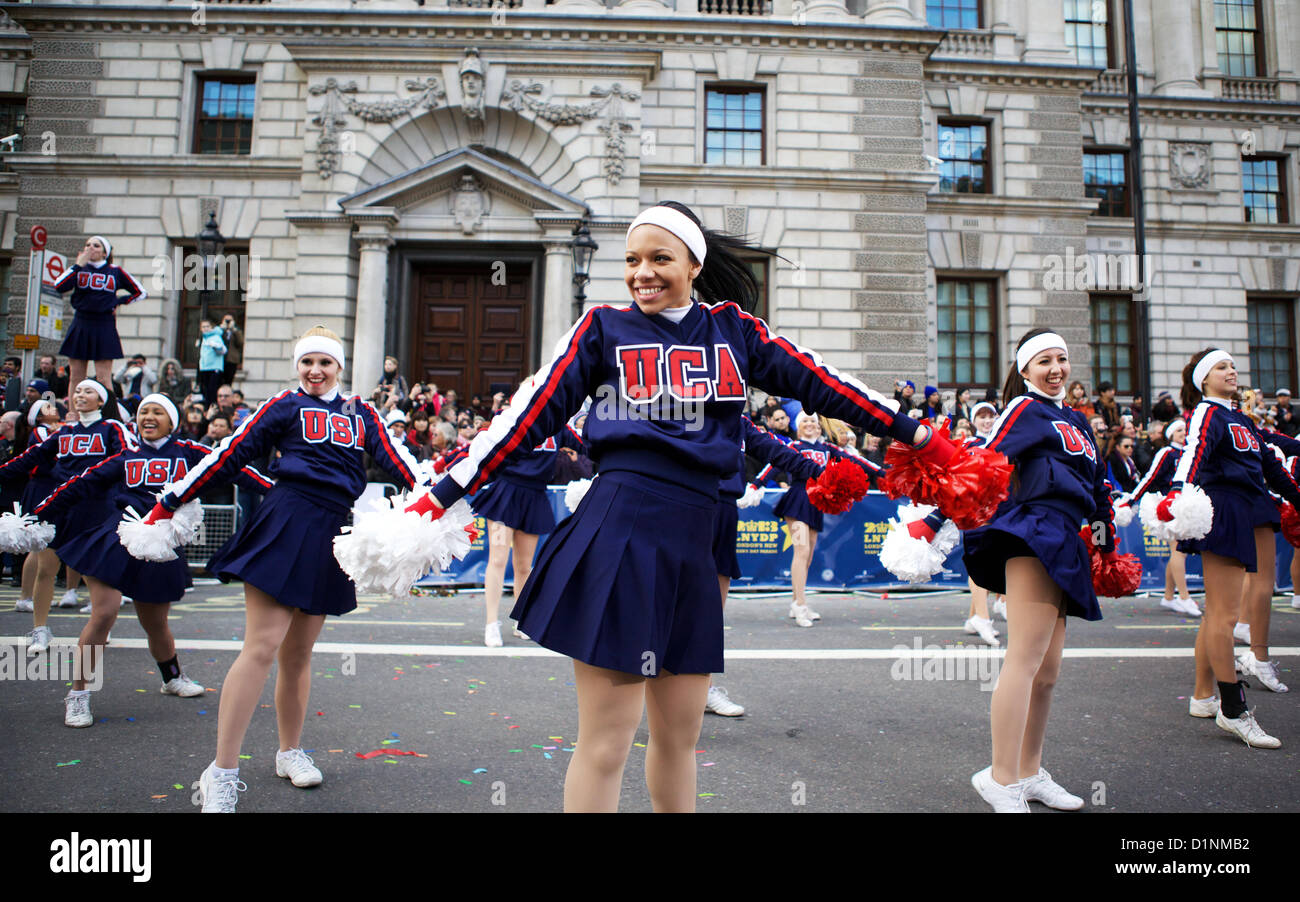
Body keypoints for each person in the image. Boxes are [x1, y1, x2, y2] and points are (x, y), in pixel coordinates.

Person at [421, 201, 957, 813]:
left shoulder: (736, 330)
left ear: (695, 264)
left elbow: (825, 383)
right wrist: (440, 496)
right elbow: (525, 417)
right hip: (621, 529)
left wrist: (918, 435)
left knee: (680, 739)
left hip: (696, 538)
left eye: (659, 258)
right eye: (631, 260)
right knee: (606, 744)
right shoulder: (602, 329)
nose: (641, 272)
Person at [136, 327, 425, 812]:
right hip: (286, 519)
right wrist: (170, 500)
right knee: (262, 647)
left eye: (325, 363)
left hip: (334, 532)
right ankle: (221, 772)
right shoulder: (283, 406)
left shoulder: (362, 412)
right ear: (298, 366)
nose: (315, 371)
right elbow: (230, 454)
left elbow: (402, 465)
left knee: (299, 654)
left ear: (339, 368)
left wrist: (441, 503)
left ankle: (289, 751)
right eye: (307, 362)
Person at [35, 394, 272, 728]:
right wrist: (35, 515)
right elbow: (79, 485)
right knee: (104, 614)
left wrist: (276, 492)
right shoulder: (126, 455)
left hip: (162, 546)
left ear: (172, 421)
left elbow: (233, 467)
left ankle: (171, 677)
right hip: (116, 539)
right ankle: (78, 695)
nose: (148, 416)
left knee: (155, 623)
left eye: (157, 411)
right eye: (143, 411)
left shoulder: (192, 452)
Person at [964, 329, 1117, 813]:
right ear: (1025, 370)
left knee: (1047, 672)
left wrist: (1104, 541)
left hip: (1069, 541)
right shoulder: (1025, 410)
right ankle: (1000, 776)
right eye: (1044, 361)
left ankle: (1030, 770)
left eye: (1062, 359)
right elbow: (985, 464)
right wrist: (933, 522)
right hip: (1032, 533)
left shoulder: (1077, 421)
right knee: (1024, 660)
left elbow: (1096, 489)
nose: (1056, 368)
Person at [1166, 349, 1300, 745]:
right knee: (1224, 616)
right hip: (1222, 511)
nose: (1232, 370)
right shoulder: (1208, 413)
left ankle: (1204, 696)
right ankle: (1233, 708)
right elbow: (1193, 454)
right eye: (1222, 366)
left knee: (1218, 615)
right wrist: (1177, 493)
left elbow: (1271, 467)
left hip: (1242, 509)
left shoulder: (1237, 417)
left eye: (1232, 365)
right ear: (1204, 379)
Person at [0, 381, 133, 651]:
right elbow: (31, 457)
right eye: (78, 391)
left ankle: (100, 625)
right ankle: (39, 629)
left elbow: (127, 457)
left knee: (98, 572)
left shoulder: (112, 428)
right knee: (46, 568)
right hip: (61, 505)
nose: (81, 395)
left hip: (97, 508)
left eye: (88, 392)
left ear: (101, 400)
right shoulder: (65, 431)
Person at [707, 414, 825, 715]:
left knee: (713, 603)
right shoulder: (679, 407)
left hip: (726, 506)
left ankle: (701, 686)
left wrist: (827, 475)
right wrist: (759, 483)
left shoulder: (738, 417)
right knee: (800, 553)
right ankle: (799, 603)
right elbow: (774, 461)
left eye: (814, 421)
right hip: (690, 502)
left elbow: (774, 450)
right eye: (805, 421)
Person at [471, 411, 585, 648]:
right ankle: (491, 623)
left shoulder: (558, 426)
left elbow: (586, 444)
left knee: (524, 566)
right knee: (498, 559)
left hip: (534, 495)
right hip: (506, 495)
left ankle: (519, 620)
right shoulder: (512, 419)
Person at [50, 236, 146, 390]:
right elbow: (59, 286)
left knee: (103, 378)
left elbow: (141, 292)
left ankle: (108, 412)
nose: (90, 248)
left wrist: (118, 302)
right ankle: (73, 414)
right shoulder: (78, 269)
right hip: (81, 322)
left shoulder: (115, 271)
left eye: (96, 245)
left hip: (104, 323)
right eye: (87, 245)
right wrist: (78, 265)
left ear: (104, 253)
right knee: (76, 377)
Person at [1125, 419, 1197, 616]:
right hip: (1169, 506)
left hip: (1186, 505)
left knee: (1178, 551)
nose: (1183, 433)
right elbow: (1150, 477)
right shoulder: (1167, 453)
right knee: (1178, 551)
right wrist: (1131, 501)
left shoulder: (1190, 454)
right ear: (1170, 435)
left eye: (1185, 429)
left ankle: (1168, 597)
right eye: (1179, 430)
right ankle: (1184, 597)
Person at [963, 400, 1004, 641]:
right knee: (980, 562)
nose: (987, 421)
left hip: (999, 509)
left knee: (989, 563)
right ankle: (983, 618)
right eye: (982, 416)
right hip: (976, 509)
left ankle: (973, 618)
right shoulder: (970, 444)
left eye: (991, 416)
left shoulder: (1002, 443)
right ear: (973, 421)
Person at [197, 319, 227, 406]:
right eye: (203, 327)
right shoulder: (203, 338)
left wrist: (216, 347)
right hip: (204, 367)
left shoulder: (216, 337)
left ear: (211, 327)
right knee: (205, 390)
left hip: (214, 367)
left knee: (212, 390)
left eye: (207, 326)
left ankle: (212, 407)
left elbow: (223, 351)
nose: (205, 328)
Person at [220, 314, 244, 388]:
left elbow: (240, 343)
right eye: (226, 320)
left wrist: (234, 330)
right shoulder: (219, 331)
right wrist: (221, 329)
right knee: (219, 380)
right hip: (220, 359)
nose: (228, 322)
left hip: (231, 360)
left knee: (229, 380)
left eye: (230, 320)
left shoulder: (236, 332)